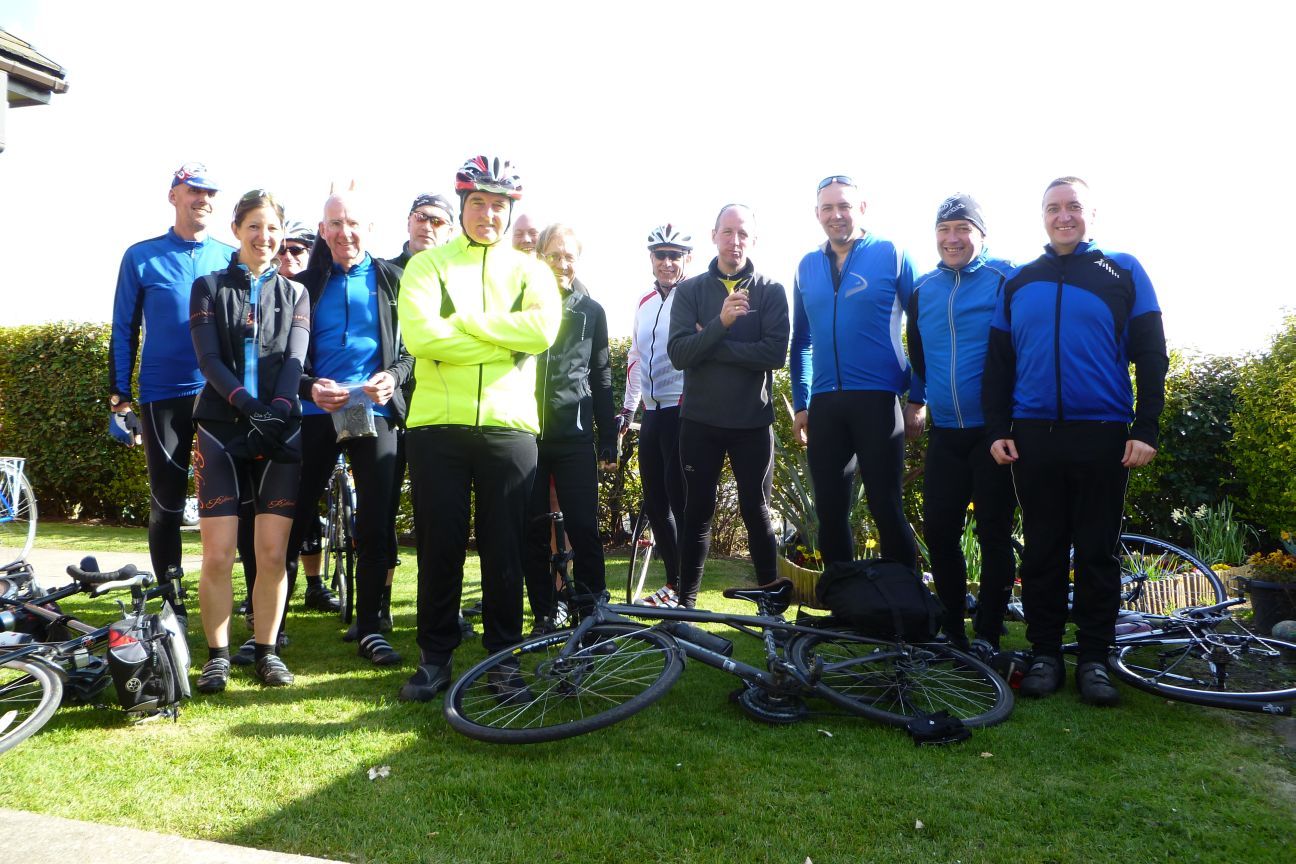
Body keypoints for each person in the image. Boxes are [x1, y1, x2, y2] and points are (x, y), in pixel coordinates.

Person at [984, 176, 1168, 706]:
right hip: (1033, 436)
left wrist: (1146, 427)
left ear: (1091, 214)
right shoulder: (1018, 281)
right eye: (1053, 208)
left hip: (1102, 433)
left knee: (1095, 549)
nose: (1063, 216)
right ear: (1042, 216)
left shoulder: (1123, 271)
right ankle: (1044, 654)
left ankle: (1093, 657)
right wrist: (998, 428)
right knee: (1042, 548)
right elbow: (999, 364)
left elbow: (1153, 355)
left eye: (1073, 207)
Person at [397, 155, 561, 701]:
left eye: (498, 205)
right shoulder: (427, 266)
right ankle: (435, 658)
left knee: (505, 549)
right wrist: (500, 339)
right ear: (461, 206)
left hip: (509, 427)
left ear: (510, 210)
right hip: (437, 426)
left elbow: (540, 333)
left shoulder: (533, 271)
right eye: (477, 204)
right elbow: (422, 339)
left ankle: (504, 660)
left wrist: (463, 322)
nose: (487, 214)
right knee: (439, 546)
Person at [285, 190, 414, 667]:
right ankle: (270, 628)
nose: (345, 232)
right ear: (323, 231)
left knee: (376, 522)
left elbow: (414, 349)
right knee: (290, 516)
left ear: (369, 228)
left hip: (373, 413)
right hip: (316, 412)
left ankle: (371, 626)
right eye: (335, 224)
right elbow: (281, 358)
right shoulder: (303, 284)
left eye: (353, 222)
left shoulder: (393, 280)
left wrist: (393, 377)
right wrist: (307, 386)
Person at [189, 190, 309, 692]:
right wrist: (246, 405)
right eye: (255, 227)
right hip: (221, 427)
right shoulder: (208, 286)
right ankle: (217, 655)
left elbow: (296, 359)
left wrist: (276, 411)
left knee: (272, 553)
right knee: (217, 554)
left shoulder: (296, 293)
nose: (265, 238)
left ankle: (266, 651)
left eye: (273, 229)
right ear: (237, 230)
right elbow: (209, 359)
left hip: (281, 429)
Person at [109, 162, 235, 599]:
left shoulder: (229, 256)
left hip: (220, 393)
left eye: (211, 194)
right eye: (194, 190)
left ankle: (241, 599)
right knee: (166, 503)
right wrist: (120, 399)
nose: (203, 199)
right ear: (174, 196)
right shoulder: (140, 256)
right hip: (163, 394)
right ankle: (172, 600)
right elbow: (123, 328)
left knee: (230, 503)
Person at [789, 175, 922, 568]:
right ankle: (842, 602)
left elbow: (920, 329)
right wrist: (801, 403)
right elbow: (802, 342)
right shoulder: (805, 265)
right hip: (826, 406)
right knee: (829, 513)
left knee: (885, 505)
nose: (836, 215)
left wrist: (918, 397)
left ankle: (907, 602)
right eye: (827, 208)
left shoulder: (892, 254)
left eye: (844, 206)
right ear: (817, 214)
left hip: (878, 400)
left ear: (861, 209)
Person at [906, 194, 1016, 653]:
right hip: (947, 433)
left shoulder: (1005, 277)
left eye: (962, 229)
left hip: (994, 433)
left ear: (981, 235)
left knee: (994, 532)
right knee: (940, 530)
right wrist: (917, 399)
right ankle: (952, 624)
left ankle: (988, 630)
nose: (952, 238)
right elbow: (917, 351)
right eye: (944, 230)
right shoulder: (923, 289)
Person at [666, 204, 789, 608]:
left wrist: (713, 342)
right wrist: (722, 323)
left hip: (752, 424)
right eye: (728, 232)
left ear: (753, 240)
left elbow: (774, 354)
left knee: (757, 513)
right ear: (714, 235)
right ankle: (685, 606)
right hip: (700, 422)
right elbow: (680, 354)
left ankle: (771, 606)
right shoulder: (690, 291)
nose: (735, 241)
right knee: (696, 514)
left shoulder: (770, 290)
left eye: (743, 234)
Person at [525, 223, 616, 632]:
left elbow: (602, 377)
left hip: (574, 437)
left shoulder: (591, 310)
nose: (562, 264)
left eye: (569, 256)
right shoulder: (522, 301)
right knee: (532, 531)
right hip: (525, 434)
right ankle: (544, 612)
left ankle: (592, 613)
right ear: (540, 256)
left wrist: (608, 439)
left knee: (583, 527)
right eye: (554, 255)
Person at [619, 224, 692, 607]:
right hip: (651, 410)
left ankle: (686, 589)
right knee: (655, 500)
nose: (667, 262)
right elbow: (634, 356)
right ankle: (673, 582)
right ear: (651, 259)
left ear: (686, 260)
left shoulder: (694, 297)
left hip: (682, 407)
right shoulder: (645, 302)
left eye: (675, 255)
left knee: (679, 499)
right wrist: (627, 408)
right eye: (661, 255)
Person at [392, 193, 457, 268]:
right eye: (420, 217)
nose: (427, 227)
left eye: (437, 222)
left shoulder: (462, 278)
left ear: (449, 233)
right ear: (409, 223)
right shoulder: (381, 273)